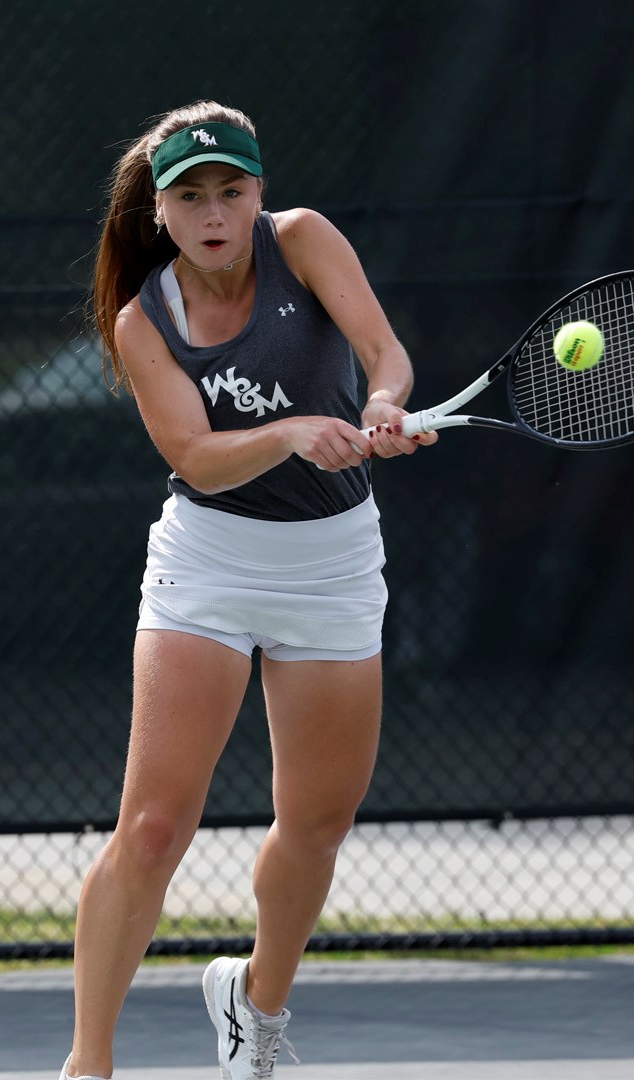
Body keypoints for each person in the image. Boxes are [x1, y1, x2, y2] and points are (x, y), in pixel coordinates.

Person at [63, 101, 433, 1080]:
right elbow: (193, 454)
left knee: (318, 823)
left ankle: (255, 1003)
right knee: (151, 826)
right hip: (209, 564)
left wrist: (384, 403)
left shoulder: (303, 241)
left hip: (334, 562)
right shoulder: (143, 321)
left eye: (232, 190)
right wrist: (293, 431)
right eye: (191, 197)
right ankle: (86, 1065)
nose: (215, 212)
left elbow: (384, 354)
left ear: (259, 194)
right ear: (160, 213)